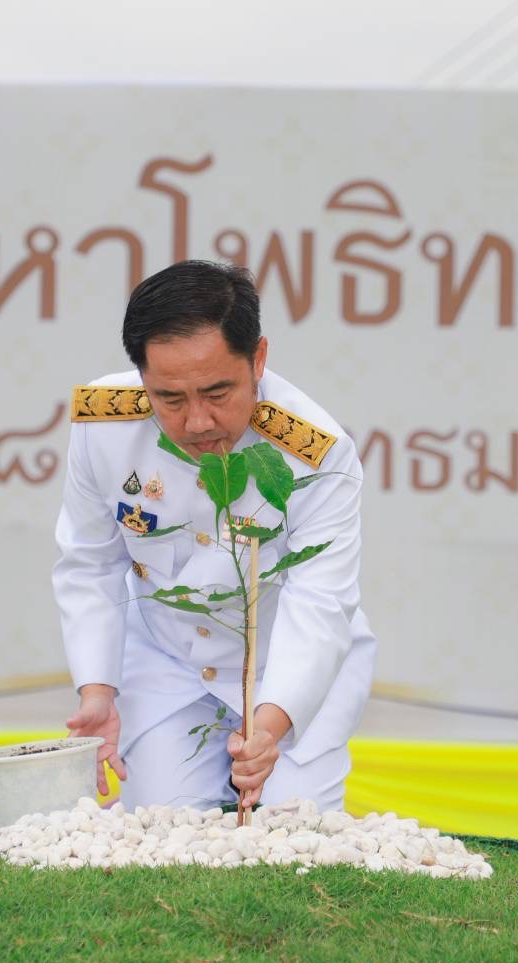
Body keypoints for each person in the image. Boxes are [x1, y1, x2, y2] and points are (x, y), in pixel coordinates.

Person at [54, 260, 374, 812]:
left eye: (217, 392)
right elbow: (90, 564)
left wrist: (269, 728)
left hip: (287, 667)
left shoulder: (318, 452)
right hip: (167, 662)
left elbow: (318, 602)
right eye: (169, 399)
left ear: (258, 359)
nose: (197, 421)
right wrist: (99, 690)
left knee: (291, 835)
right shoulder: (102, 425)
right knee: (163, 834)